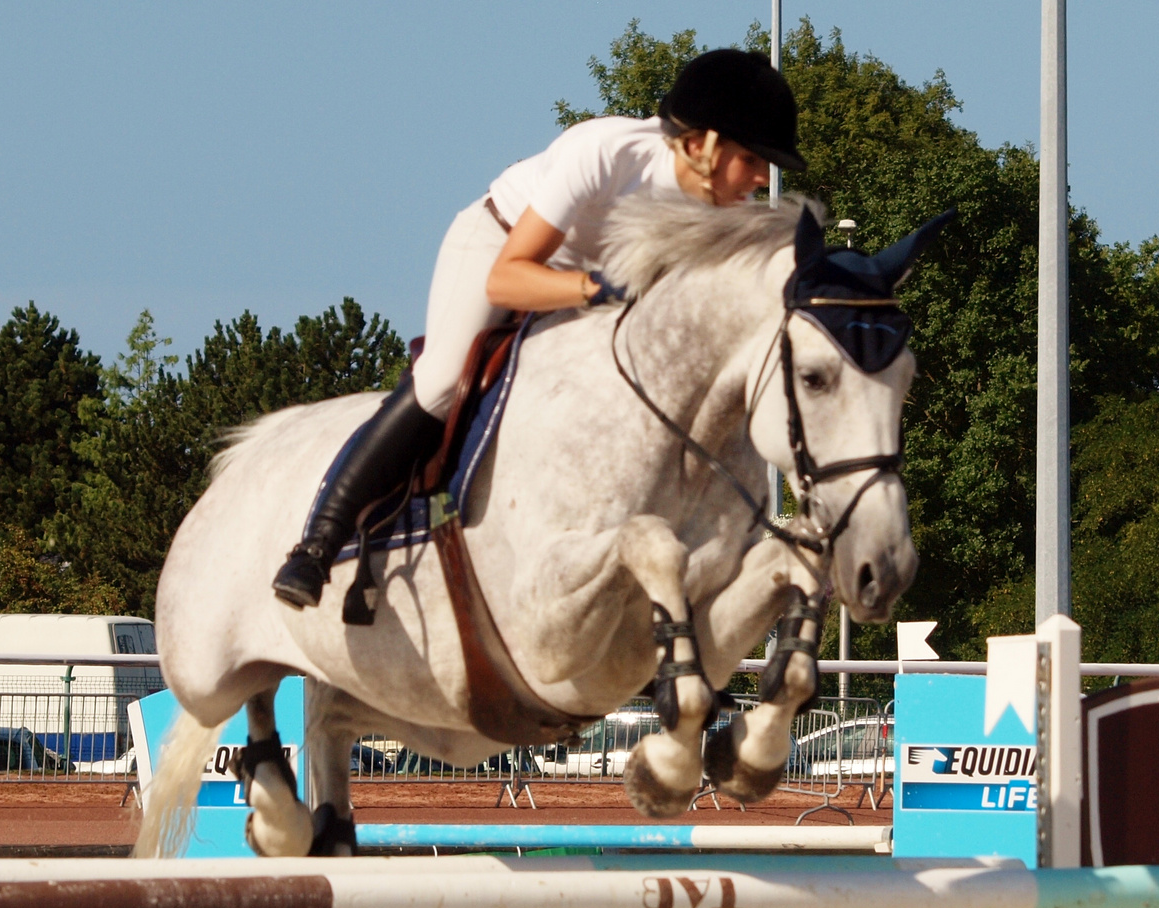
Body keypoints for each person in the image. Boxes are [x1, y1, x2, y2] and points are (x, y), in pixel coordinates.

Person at [272, 49, 806, 609]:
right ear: (702, 145)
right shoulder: (604, 152)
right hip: (499, 248)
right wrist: (596, 290)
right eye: (751, 158)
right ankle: (317, 544)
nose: (761, 178)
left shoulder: (720, 211)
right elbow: (507, 280)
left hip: (592, 287)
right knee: (443, 379)